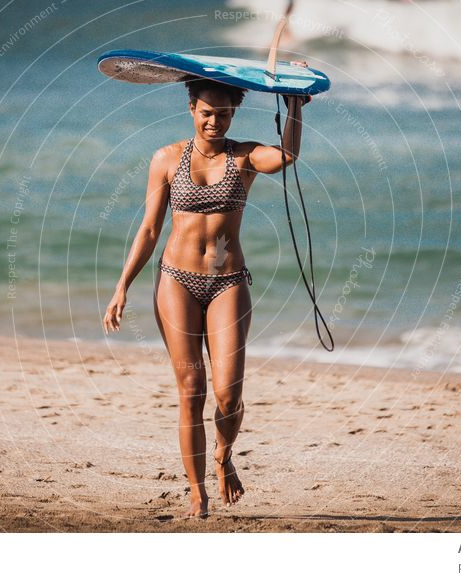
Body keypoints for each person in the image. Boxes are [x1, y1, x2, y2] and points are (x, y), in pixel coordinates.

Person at [103, 62, 311, 518]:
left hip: (228, 282)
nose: (215, 122)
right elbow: (149, 229)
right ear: (191, 108)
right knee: (191, 387)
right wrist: (122, 287)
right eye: (207, 113)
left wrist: (295, 98)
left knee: (228, 394)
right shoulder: (165, 158)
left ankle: (223, 455)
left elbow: (288, 157)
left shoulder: (245, 156)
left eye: (224, 114)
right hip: (176, 279)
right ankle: (197, 491)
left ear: (235, 113)